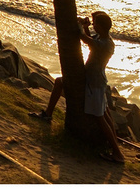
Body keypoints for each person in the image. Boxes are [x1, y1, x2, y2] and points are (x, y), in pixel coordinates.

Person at [30, 11, 126, 163]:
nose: (93, 25)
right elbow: (89, 40)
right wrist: (86, 27)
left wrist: (79, 26)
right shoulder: (104, 39)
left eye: (95, 24)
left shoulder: (104, 44)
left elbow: (84, 39)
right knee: (103, 113)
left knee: (101, 117)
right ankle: (48, 114)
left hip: (94, 83)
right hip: (93, 80)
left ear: (100, 26)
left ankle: (117, 153)